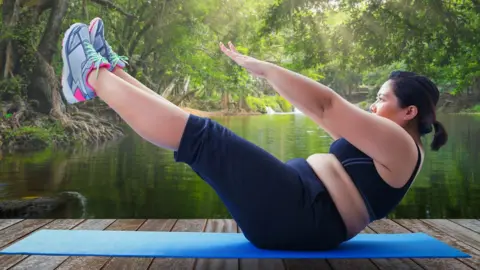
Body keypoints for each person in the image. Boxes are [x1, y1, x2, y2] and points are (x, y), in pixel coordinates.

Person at [60, 18, 448, 251]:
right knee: (199, 132)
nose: (373, 105)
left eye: (381, 99)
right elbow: (319, 112)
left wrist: (266, 69)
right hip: (297, 207)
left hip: (300, 217)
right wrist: (266, 72)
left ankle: (90, 79)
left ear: (409, 112)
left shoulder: (400, 145)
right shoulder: (389, 144)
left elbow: (327, 104)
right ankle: (110, 71)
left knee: (205, 137)